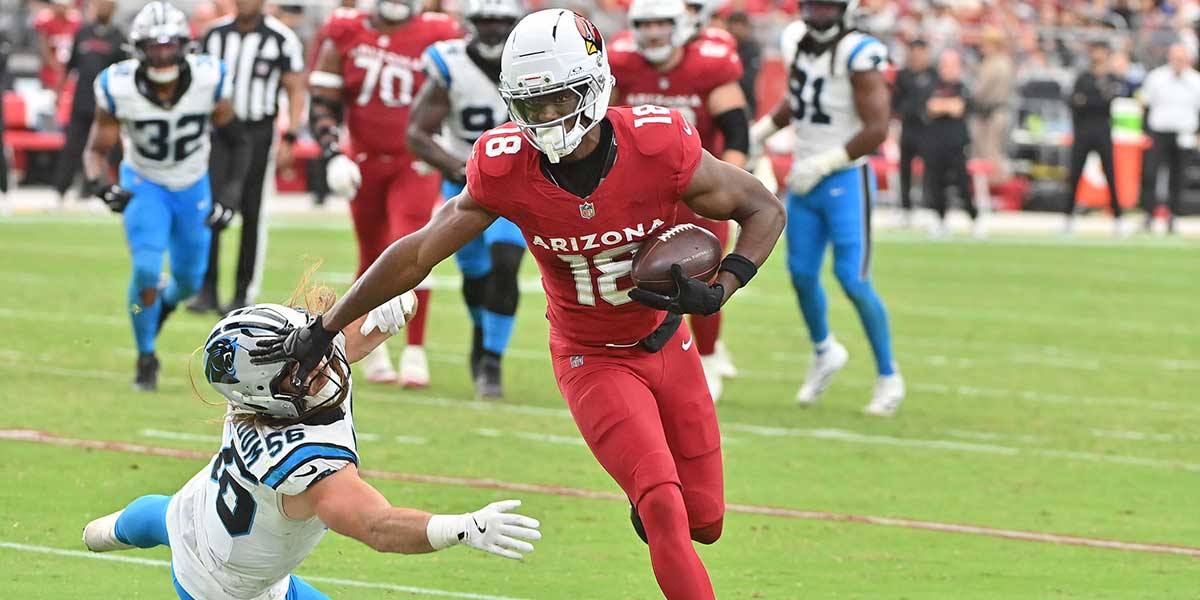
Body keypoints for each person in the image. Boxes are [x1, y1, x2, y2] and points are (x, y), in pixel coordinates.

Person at [250, 10, 785, 599]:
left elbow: (763, 207)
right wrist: (328, 326)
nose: (548, 117)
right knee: (663, 505)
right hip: (591, 357)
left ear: (596, 85)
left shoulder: (658, 143)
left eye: (560, 99)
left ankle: (660, 505)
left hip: (668, 342)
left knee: (704, 521)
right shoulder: (505, 166)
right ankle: (652, 499)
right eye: (533, 104)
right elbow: (418, 252)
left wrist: (725, 285)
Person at [82, 291, 541, 600]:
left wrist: (390, 306)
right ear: (265, 393)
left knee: (164, 516)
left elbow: (349, 335)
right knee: (167, 520)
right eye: (300, 368)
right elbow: (377, 526)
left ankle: (103, 533)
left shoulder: (263, 390)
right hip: (225, 588)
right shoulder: (307, 466)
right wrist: (461, 527)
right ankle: (111, 531)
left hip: (202, 507)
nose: (320, 364)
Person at [83, 2, 249, 391]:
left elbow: (239, 141)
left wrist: (230, 194)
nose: (161, 55)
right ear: (137, 50)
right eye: (153, 47)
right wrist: (100, 185)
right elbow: (95, 149)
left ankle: (161, 303)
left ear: (184, 46)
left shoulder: (209, 78)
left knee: (189, 283)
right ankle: (146, 356)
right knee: (145, 269)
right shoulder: (118, 85)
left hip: (193, 184)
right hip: (144, 183)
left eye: (168, 45)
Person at [750, 0, 905, 416]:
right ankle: (824, 351)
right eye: (813, 7)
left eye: (827, 7)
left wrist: (823, 164)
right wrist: (759, 133)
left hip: (844, 178)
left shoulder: (860, 52)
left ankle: (889, 375)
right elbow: (799, 99)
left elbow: (877, 129)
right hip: (805, 178)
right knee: (801, 275)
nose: (819, 16)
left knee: (852, 279)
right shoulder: (797, 41)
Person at [308, 0, 463, 386]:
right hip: (363, 159)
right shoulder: (347, 29)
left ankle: (415, 349)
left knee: (411, 245)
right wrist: (332, 153)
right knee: (371, 252)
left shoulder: (438, 33)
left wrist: (441, 145)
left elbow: (459, 91)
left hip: (415, 160)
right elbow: (323, 101)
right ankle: (368, 343)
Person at [609, 0, 749, 402]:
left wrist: (724, 185)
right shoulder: (621, 62)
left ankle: (707, 356)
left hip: (697, 187)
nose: (653, 33)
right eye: (645, 24)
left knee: (704, 275)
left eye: (661, 23)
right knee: (632, 275)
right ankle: (638, 355)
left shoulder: (709, 63)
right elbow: (603, 124)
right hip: (639, 191)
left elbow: (736, 133)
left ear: (682, 24)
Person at [407, 0, 525, 400]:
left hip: (516, 184)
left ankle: (491, 360)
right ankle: (480, 331)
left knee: (506, 264)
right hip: (463, 184)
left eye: (500, 21)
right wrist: (458, 167)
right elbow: (417, 133)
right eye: (485, 20)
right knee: (476, 276)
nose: (492, 29)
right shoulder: (451, 64)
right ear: (472, 23)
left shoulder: (530, 61)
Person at [189, 0, 308, 314]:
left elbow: (295, 88)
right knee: (211, 207)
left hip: (258, 131)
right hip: (218, 133)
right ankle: (207, 289)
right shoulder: (214, 35)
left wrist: (291, 135)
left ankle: (243, 293)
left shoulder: (280, 38)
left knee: (251, 211)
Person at [51, 0, 125, 204]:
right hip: (81, 102)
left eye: (107, 5)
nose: (103, 8)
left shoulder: (119, 38)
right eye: (100, 4)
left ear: (114, 9)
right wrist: (58, 92)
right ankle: (60, 191)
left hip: (106, 106)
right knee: (72, 148)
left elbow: (124, 73)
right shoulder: (82, 33)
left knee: (108, 150)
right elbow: (70, 66)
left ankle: (99, 191)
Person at [1064, 40, 1127, 236]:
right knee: (1074, 174)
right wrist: (1094, 99)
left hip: (1102, 131)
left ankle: (1118, 218)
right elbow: (1074, 102)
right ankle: (1068, 217)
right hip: (1083, 131)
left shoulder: (1111, 78)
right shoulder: (1083, 77)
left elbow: (1106, 102)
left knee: (1110, 174)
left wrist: (1088, 100)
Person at [1137, 43, 1200, 235]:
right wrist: (1144, 130)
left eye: (1182, 59)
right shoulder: (1156, 77)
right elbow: (1144, 104)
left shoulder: (1196, 81)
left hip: (1184, 133)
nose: (1178, 62)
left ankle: (1173, 216)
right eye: (1176, 58)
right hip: (1158, 132)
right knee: (1150, 173)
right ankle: (1149, 214)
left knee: (1178, 177)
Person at [923, 48, 982, 238]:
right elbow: (929, 107)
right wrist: (946, 106)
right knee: (936, 183)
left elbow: (959, 108)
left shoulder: (963, 87)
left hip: (957, 143)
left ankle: (974, 219)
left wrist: (941, 106)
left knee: (963, 182)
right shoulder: (931, 85)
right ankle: (940, 220)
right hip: (935, 143)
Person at [892, 38, 936, 226]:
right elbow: (895, 102)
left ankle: (928, 205)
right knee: (905, 168)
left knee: (930, 168)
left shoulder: (933, 74)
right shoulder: (903, 75)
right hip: (908, 127)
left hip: (929, 128)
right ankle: (905, 207)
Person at [972, 27, 1014, 185]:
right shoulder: (1006, 61)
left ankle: (995, 187)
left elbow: (979, 91)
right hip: (999, 112)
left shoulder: (993, 63)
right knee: (996, 152)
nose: (982, 47)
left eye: (985, 43)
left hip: (991, 113)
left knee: (991, 153)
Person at [33, 0, 81, 92]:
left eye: (63, 6)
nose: (60, 9)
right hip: (50, 69)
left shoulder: (75, 22)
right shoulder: (46, 21)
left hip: (68, 68)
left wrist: (68, 67)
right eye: (58, 6)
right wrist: (54, 64)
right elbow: (43, 48)